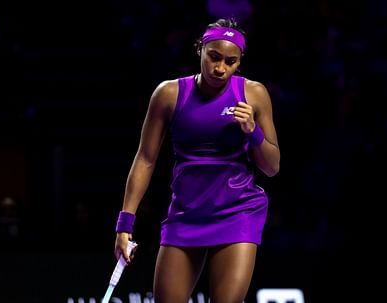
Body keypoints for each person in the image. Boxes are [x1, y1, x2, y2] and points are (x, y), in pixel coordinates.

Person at [114, 18, 281, 303]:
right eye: (214, 57)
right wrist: (124, 224)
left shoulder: (253, 94)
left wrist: (253, 132)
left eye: (230, 61)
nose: (220, 68)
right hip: (186, 214)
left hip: (237, 212)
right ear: (200, 49)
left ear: (239, 61)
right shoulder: (168, 94)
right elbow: (145, 159)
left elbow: (272, 166)